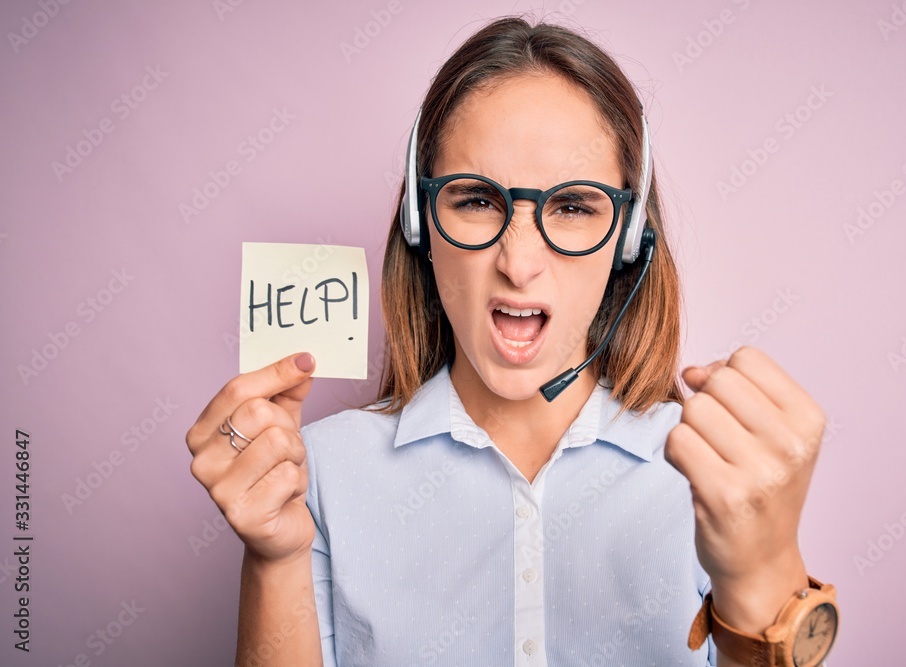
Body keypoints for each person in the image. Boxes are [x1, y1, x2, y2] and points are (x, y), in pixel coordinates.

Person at [187, 15, 837, 667]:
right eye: (476, 200)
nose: (519, 264)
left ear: (629, 237)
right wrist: (275, 558)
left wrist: (762, 574)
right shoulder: (319, 472)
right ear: (419, 222)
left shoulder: (712, 476)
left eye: (573, 206)